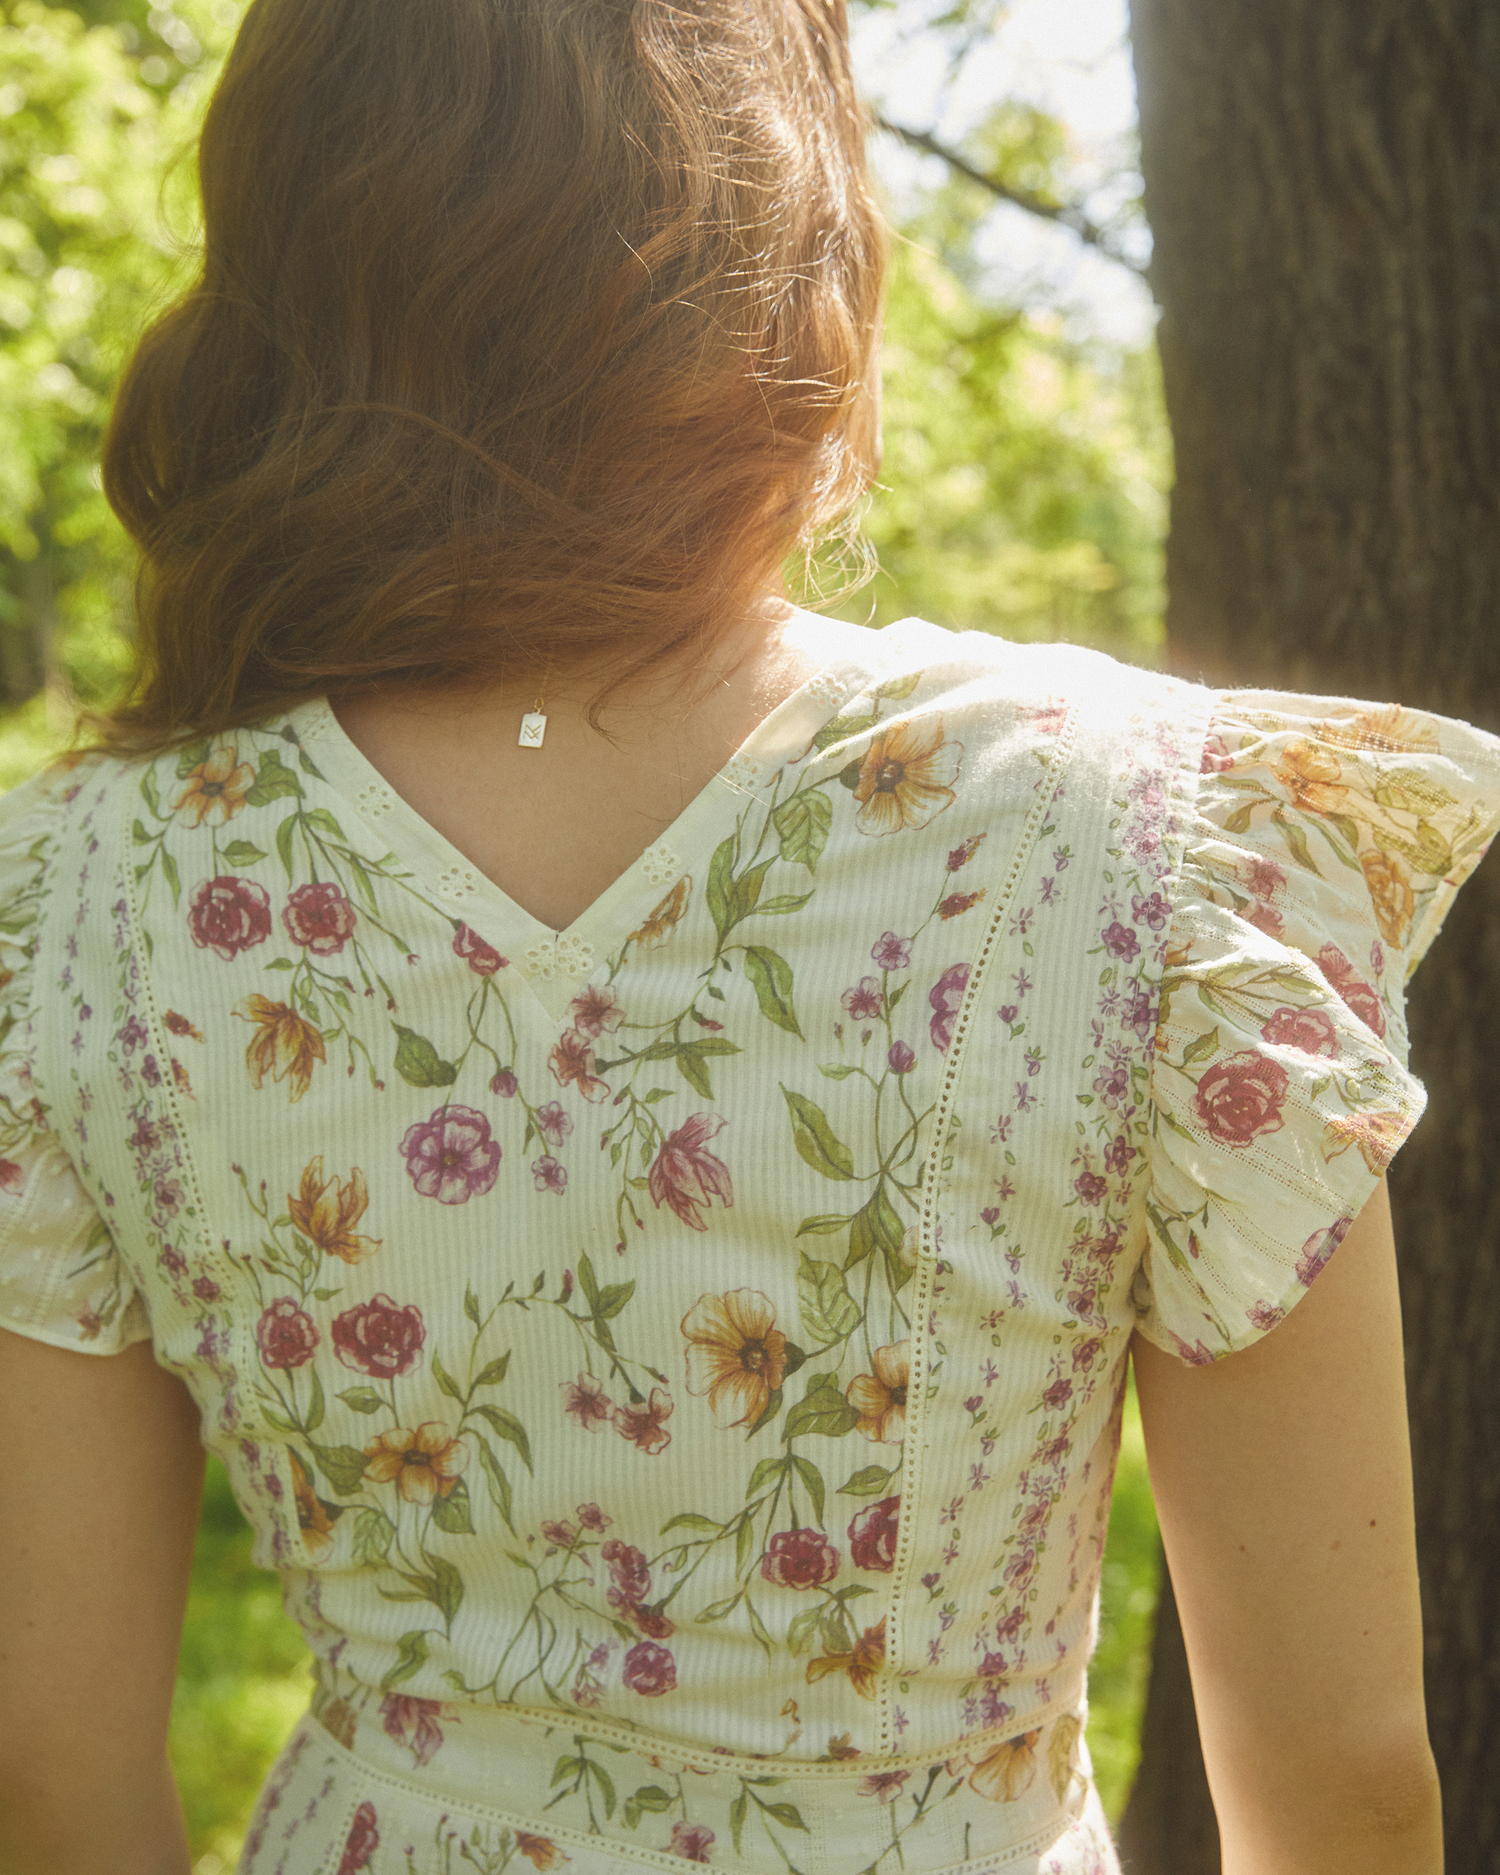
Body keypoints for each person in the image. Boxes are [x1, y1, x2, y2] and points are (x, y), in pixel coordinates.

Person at [0, 3, 1488, 1872]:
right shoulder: (1145, 835)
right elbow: (1344, 1778)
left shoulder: (78, 895)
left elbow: (49, 1768)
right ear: (798, 267)